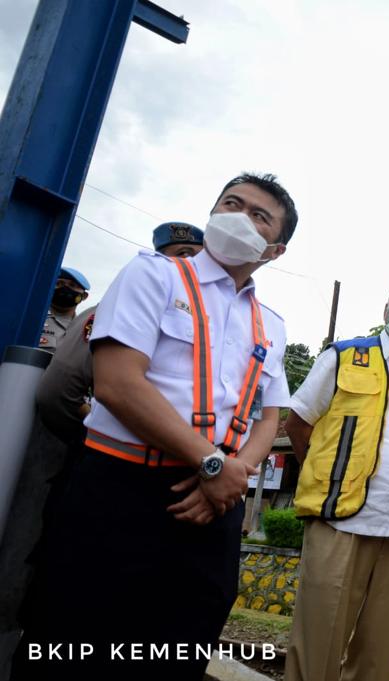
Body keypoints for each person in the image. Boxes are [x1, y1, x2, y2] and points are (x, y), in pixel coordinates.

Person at [14, 173, 297, 681]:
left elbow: (269, 415)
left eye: (258, 215)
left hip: (214, 505)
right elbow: (118, 384)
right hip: (122, 488)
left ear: (274, 249)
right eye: (231, 203)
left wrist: (233, 475)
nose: (238, 217)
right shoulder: (156, 276)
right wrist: (211, 463)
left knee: (181, 642)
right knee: (73, 640)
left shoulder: (271, 324)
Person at [284, 273, 389, 681]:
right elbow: (298, 424)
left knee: (379, 656)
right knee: (318, 646)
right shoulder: (344, 356)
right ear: (386, 308)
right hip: (340, 522)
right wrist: (325, 484)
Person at [36, 221, 205, 445]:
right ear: (159, 262)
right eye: (183, 255)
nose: (192, 265)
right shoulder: (116, 311)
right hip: (99, 453)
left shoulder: (204, 324)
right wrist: (88, 436)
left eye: (199, 259)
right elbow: (57, 392)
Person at [38, 266, 90, 353]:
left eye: (72, 285)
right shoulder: (32, 318)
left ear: (84, 296)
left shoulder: (84, 329)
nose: (64, 288)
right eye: (59, 283)